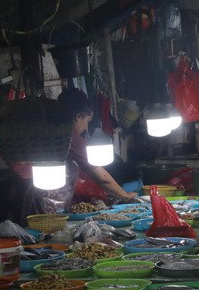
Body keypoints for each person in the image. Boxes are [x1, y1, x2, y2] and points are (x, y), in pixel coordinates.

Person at [22, 88, 137, 217]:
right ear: (78, 116)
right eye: (87, 121)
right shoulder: (71, 137)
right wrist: (125, 196)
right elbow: (103, 178)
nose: (86, 127)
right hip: (47, 203)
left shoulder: (50, 131)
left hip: (34, 198)